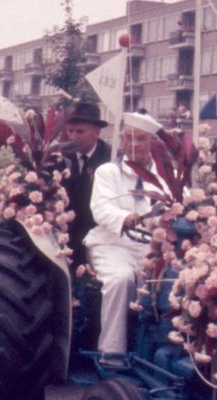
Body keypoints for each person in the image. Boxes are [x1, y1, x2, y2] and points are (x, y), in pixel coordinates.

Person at [84, 112, 169, 360]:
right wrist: (125, 218)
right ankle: (112, 352)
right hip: (112, 244)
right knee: (121, 280)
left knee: (163, 287)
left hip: (149, 249)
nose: (135, 145)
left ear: (152, 143)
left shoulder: (165, 176)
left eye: (141, 139)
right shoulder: (107, 172)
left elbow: (181, 204)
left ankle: (152, 352)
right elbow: (100, 208)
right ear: (121, 141)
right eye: (129, 139)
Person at [63, 102, 112, 268]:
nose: (73, 137)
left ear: (96, 133)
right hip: (64, 232)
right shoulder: (60, 156)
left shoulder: (110, 158)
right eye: (70, 131)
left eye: (80, 131)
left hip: (96, 232)